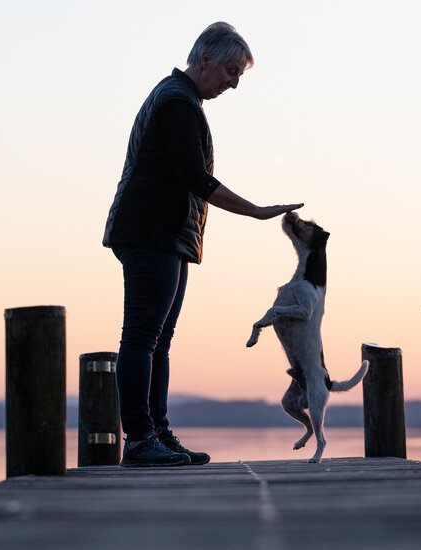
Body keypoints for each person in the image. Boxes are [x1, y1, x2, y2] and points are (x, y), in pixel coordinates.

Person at [103, 22, 303, 467]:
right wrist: (255, 210)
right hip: (150, 233)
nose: (233, 83)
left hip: (166, 237)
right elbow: (197, 179)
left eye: (239, 76)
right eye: (231, 71)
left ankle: (157, 434)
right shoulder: (177, 102)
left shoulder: (182, 99)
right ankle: (140, 439)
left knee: (160, 340)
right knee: (142, 337)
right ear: (206, 58)